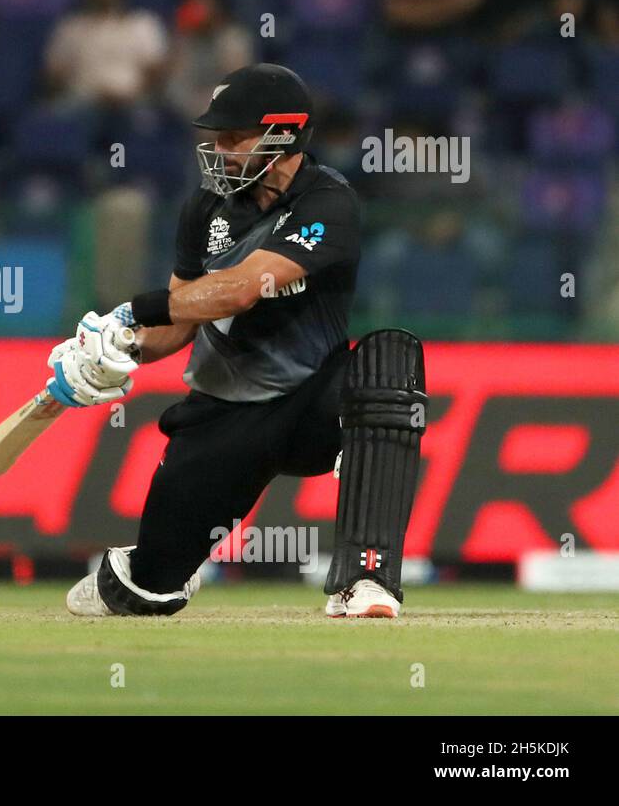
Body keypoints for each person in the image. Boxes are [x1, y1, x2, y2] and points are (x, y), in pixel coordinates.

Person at [47, 63, 428, 619]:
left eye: (232, 137)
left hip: (311, 404)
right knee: (145, 593)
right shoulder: (205, 207)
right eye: (215, 137)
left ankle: (366, 579)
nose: (219, 150)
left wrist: (131, 309)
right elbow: (178, 325)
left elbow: (243, 288)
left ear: (284, 135)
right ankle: (152, 568)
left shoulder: (329, 203)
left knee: (388, 361)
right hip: (222, 415)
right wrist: (119, 347)